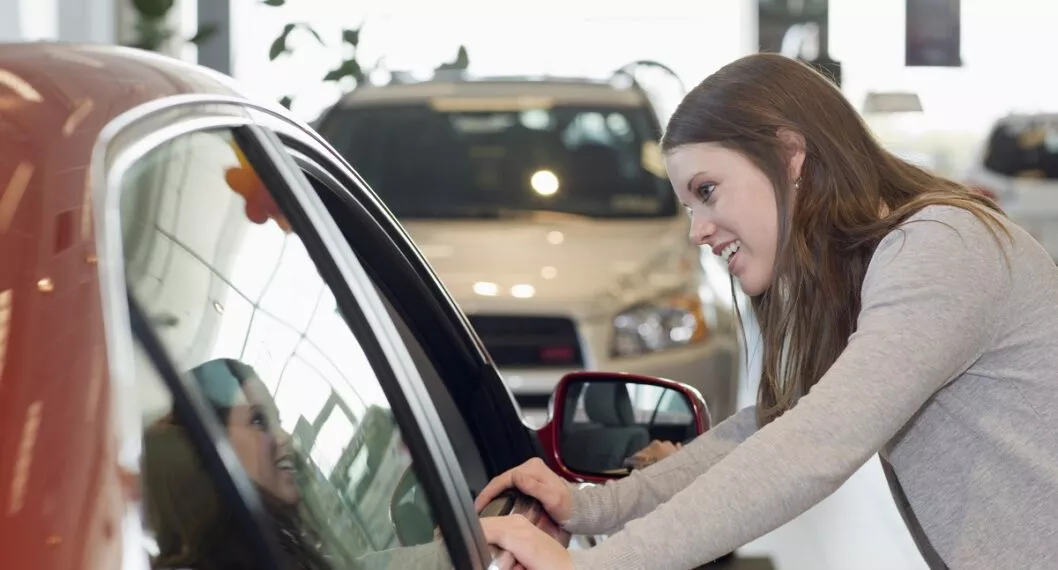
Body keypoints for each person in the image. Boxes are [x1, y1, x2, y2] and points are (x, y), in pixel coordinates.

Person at [474, 52, 1058, 570]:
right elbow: (775, 427)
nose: (698, 231)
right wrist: (591, 507)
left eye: (707, 191)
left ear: (789, 155)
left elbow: (811, 447)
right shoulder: (886, 262)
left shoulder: (940, 247)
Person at [142, 358, 454, 570]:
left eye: (279, 420)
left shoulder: (270, 550)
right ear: (207, 451)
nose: (286, 439)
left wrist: (444, 555)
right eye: (259, 421)